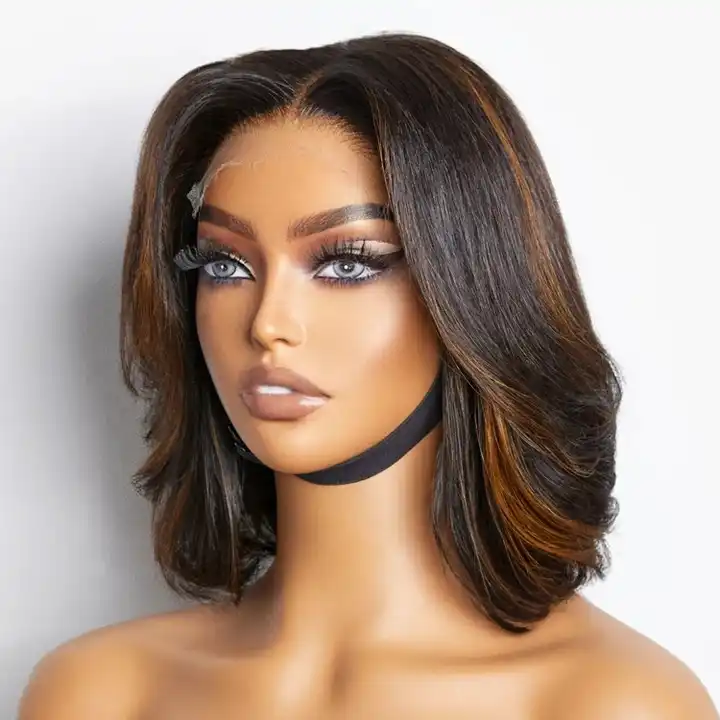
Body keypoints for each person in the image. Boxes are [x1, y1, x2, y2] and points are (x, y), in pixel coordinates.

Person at [19, 33, 718, 719]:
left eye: (347, 263)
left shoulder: (610, 703)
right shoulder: (100, 694)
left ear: (473, 293)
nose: (267, 323)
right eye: (225, 264)